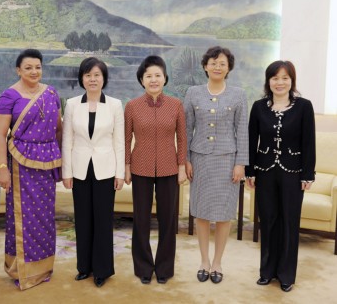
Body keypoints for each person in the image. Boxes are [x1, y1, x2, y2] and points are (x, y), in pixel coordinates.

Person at [0, 49, 62, 290]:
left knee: (44, 217)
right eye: (29, 68)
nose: (34, 72)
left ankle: (43, 268)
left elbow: (58, 130)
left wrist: (62, 163)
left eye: (38, 67)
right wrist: (2, 168)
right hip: (19, 164)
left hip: (47, 162)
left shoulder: (51, 93)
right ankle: (22, 270)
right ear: (18, 70)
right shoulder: (8, 96)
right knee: (23, 218)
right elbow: (0, 135)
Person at [246, 61, 315, 292]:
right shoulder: (258, 107)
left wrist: (308, 173)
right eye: (275, 78)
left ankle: (286, 274)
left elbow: (308, 143)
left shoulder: (304, 107)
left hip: (293, 174)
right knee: (268, 221)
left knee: (289, 222)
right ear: (268, 81)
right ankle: (266, 271)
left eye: (285, 78)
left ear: (292, 81)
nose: (280, 82)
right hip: (265, 171)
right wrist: (250, 170)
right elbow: (251, 140)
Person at [184, 46, 248, 284]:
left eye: (222, 63)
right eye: (213, 63)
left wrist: (241, 163)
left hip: (227, 161)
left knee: (223, 213)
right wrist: (186, 159)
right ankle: (203, 261)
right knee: (201, 212)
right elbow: (186, 129)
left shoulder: (238, 95)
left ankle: (218, 262)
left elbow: (242, 131)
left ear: (228, 67)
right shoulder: (193, 93)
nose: (217, 67)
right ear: (205, 66)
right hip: (199, 159)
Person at [62, 57, 124, 288]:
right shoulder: (72, 104)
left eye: (97, 75)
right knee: (83, 220)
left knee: (103, 221)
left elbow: (119, 141)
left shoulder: (116, 105)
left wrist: (119, 173)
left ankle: (102, 270)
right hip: (79, 169)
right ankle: (84, 267)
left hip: (106, 169)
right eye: (88, 75)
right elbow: (67, 139)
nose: (92, 79)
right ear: (82, 78)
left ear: (104, 78)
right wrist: (66, 172)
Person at [124, 55, 187, 285]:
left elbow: (182, 138)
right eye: (148, 76)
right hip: (140, 168)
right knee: (140, 219)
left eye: (157, 75)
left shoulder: (176, 105)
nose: (153, 80)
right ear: (141, 80)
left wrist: (181, 167)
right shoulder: (132, 106)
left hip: (169, 169)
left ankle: (164, 268)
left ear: (165, 78)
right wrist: (127, 167)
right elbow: (125, 139)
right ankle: (142, 267)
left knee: (167, 220)